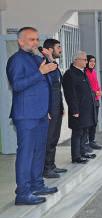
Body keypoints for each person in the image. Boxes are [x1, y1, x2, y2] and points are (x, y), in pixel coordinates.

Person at [7, 27, 59, 205]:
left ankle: (37, 184)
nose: (36, 43)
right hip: (26, 115)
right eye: (31, 39)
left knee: (39, 152)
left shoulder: (38, 59)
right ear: (21, 41)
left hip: (41, 114)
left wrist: (50, 61)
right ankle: (23, 193)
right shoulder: (16, 60)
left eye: (37, 39)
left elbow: (52, 81)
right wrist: (40, 73)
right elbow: (17, 85)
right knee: (26, 153)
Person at [62, 51, 97, 165]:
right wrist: (74, 110)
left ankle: (83, 152)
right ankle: (76, 156)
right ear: (76, 60)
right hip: (78, 110)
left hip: (87, 109)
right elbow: (70, 94)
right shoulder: (70, 74)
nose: (86, 62)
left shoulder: (82, 72)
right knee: (77, 133)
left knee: (85, 131)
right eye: (84, 60)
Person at [41, 38, 68, 179]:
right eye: (58, 47)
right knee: (48, 138)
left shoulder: (54, 65)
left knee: (54, 138)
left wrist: (62, 106)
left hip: (57, 107)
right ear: (50, 49)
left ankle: (51, 165)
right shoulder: (44, 65)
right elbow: (45, 89)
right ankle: (45, 169)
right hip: (49, 109)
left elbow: (58, 89)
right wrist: (46, 109)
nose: (61, 50)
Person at [84, 55, 102, 151]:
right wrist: (95, 92)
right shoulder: (85, 73)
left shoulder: (94, 72)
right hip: (88, 101)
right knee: (89, 122)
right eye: (91, 61)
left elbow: (96, 85)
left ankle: (92, 140)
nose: (93, 63)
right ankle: (86, 142)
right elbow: (87, 88)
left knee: (95, 121)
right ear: (86, 62)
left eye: (94, 61)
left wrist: (99, 92)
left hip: (95, 99)